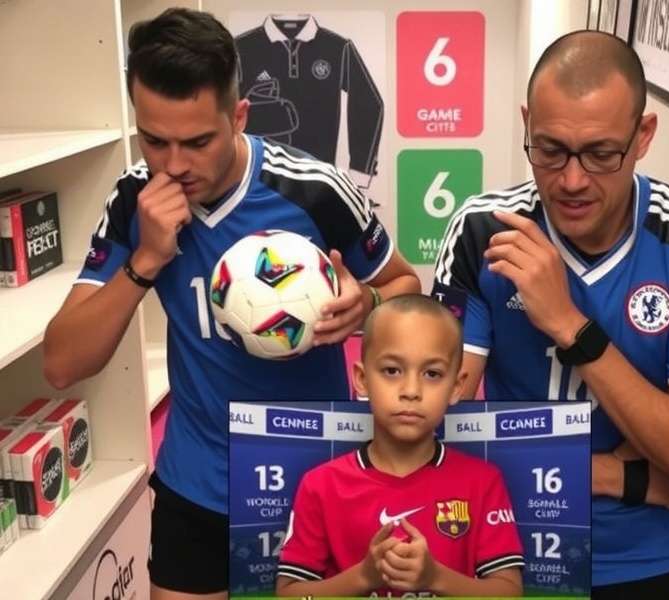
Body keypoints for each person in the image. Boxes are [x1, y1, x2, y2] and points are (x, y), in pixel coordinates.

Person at [42, 8, 419, 600]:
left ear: (238, 116)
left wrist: (366, 301)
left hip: (319, 479)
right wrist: (144, 263)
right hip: (199, 485)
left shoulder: (313, 189)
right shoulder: (134, 199)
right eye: (154, 140)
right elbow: (62, 363)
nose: (173, 164)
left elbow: (405, 286)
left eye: (197, 141)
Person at [433, 31, 669, 598]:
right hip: (509, 553)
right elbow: (428, 422)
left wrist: (570, 325)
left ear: (643, 135)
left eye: (602, 153)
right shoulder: (484, 231)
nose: (572, 180)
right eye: (549, 150)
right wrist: (621, 475)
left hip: (661, 559)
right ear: (526, 124)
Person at [275, 294, 524, 597]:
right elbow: (288, 594)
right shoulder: (320, 485)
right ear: (362, 379)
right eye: (392, 370)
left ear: (456, 387)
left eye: (432, 374)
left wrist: (436, 577)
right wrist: (364, 576)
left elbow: (510, 593)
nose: (411, 391)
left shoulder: (483, 482)